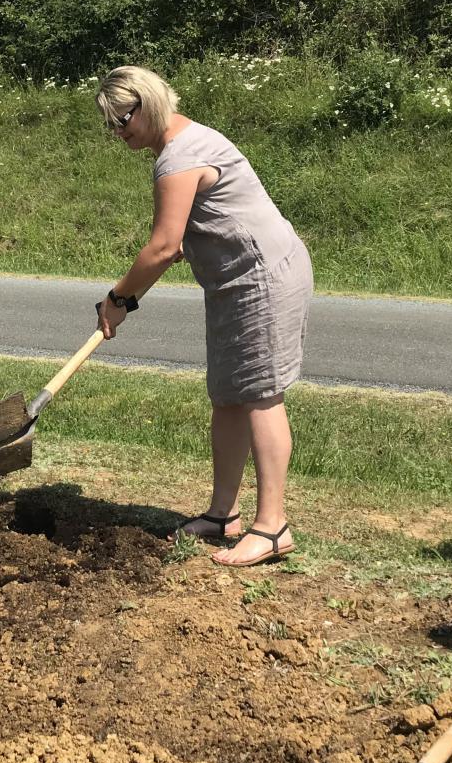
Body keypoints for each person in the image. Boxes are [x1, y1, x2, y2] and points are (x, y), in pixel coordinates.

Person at [94, 66, 313, 567]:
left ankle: (273, 527)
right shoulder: (187, 144)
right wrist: (137, 286)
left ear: (147, 104)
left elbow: (163, 246)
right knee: (228, 395)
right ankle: (222, 515)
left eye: (121, 118)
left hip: (261, 279)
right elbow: (179, 243)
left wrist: (119, 299)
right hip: (235, 282)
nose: (118, 131)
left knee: (259, 395)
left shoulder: (180, 157)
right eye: (111, 124)